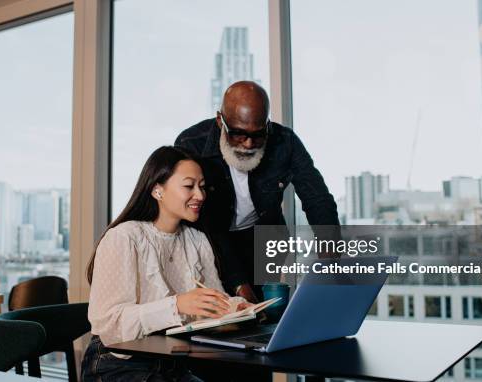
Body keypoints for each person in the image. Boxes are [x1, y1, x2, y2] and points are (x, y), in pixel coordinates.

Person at [81, 146, 249, 382]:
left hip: (171, 363)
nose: (200, 195)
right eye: (189, 186)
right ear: (157, 190)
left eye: (201, 186)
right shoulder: (125, 237)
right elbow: (110, 325)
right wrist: (177, 305)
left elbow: (213, 302)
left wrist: (238, 308)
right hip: (117, 363)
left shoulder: (196, 239)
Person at [175, 81, 340, 302]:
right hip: (210, 240)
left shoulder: (285, 142)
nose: (248, 144)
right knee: (223, 311)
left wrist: (330, 265)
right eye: (238, 134)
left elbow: (318, 199)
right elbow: (208, 224)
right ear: (219, 121)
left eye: (258, 134)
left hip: (263, 238)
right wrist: (239, 283)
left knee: (262, 311)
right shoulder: (191, 144)